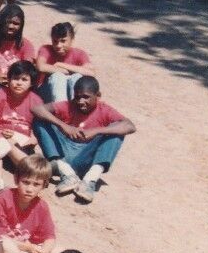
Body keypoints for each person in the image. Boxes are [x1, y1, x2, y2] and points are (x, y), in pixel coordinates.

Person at [33, 76, 134, 204]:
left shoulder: (104, 110)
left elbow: (130, 125)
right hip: (63, 154)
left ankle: (89, 181)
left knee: (116, 132)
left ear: (98, 96)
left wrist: (97, 130)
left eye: (86, 97)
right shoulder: (68, 105)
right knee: (39, 120)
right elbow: (36, 109)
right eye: (77, 97)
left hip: (86, 158)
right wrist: (64, 126)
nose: (80, 101)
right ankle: (67, 174)